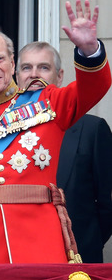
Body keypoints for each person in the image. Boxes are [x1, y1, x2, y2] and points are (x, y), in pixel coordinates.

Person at [0, 0, 111, 264]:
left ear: (12, 62)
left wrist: (89, 50)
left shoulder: (47, 101)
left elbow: (93, 89)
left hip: (39, 244)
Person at [16, 41, 112, 263]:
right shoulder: (3, 131)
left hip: (78, 258)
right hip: (21, 256)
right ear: (17, 76)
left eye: (43, 67)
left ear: (59, 76)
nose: (34, 74)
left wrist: (88, 242)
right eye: (26, 68)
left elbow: (107, 205)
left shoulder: (92, 129)